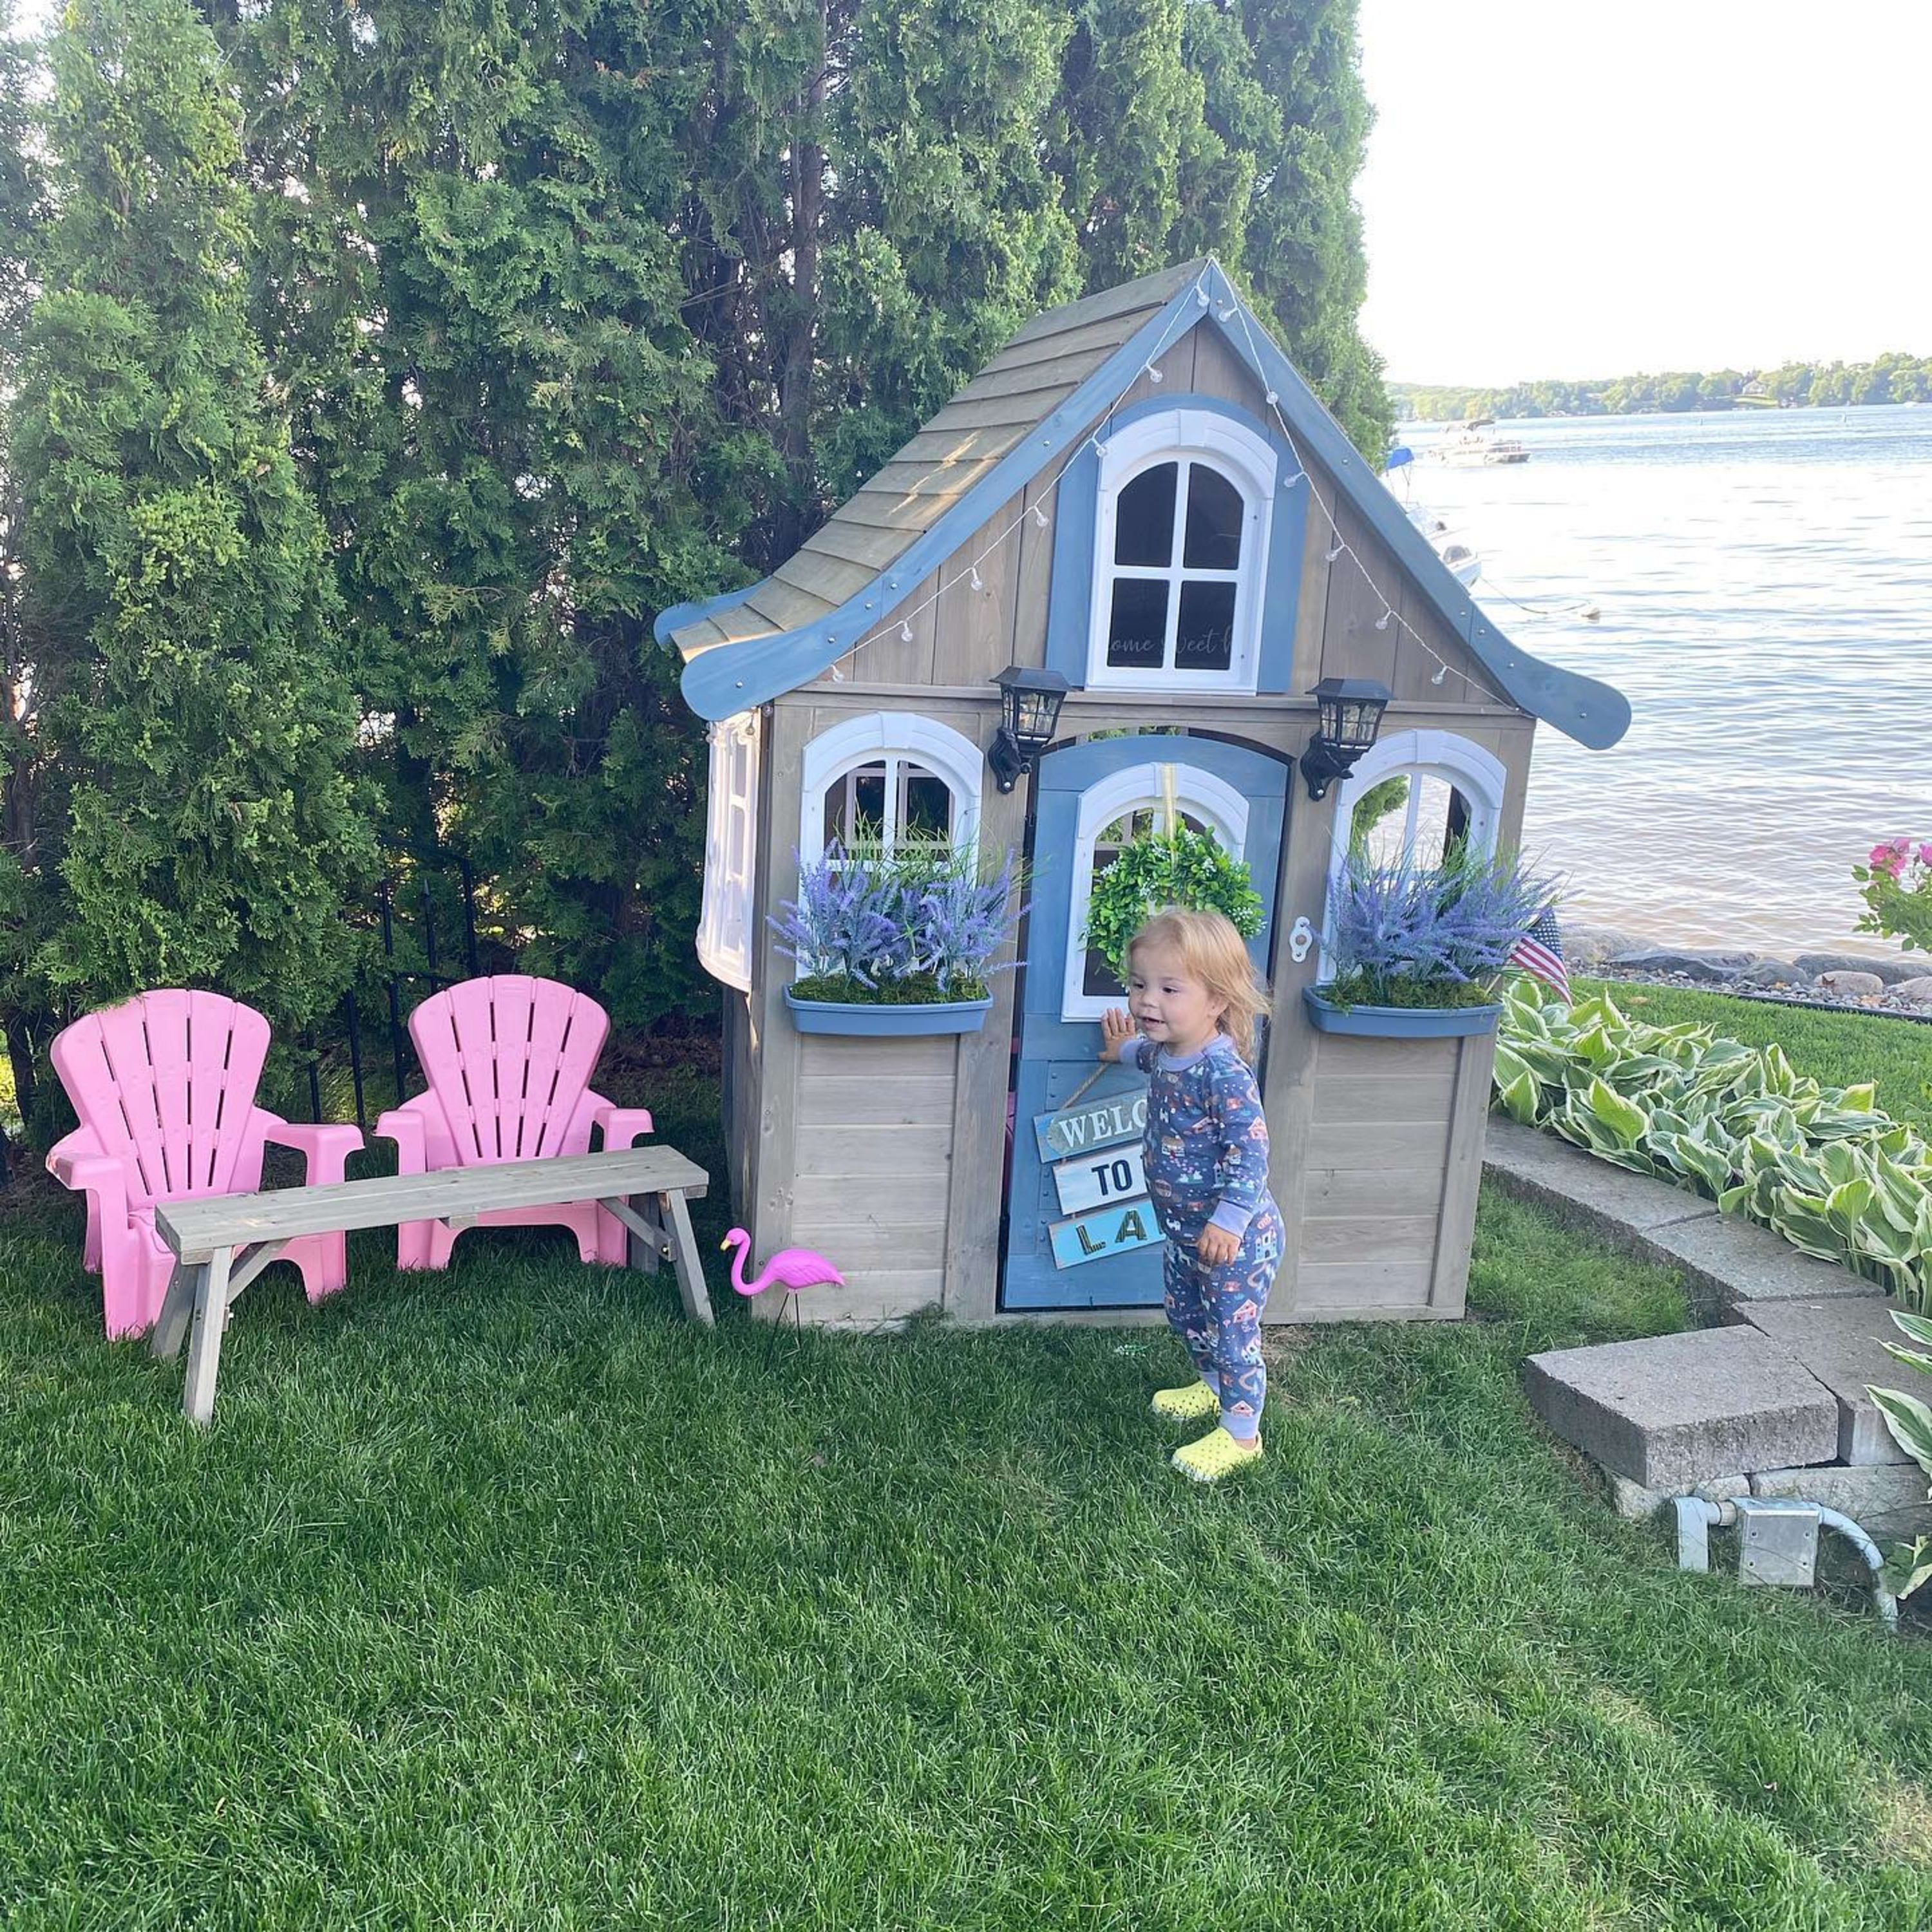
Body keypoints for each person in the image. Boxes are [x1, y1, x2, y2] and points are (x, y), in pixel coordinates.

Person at [1099, 907, 1282, 1483]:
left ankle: (1242, 1434)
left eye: (1168, 988)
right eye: (1138, 985)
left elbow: (1251, 1153)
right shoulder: (1172, 1052)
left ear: (1217, 1000)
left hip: (1234, 1238)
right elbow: (1146, 1057)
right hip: (1184, 1232)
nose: (1147, 1001)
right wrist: (1119, 1052)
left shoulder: (1222, 1073)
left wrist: (1228, 1222)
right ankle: (1208, 1389)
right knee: (1187, 1315)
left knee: (1233, 1332)